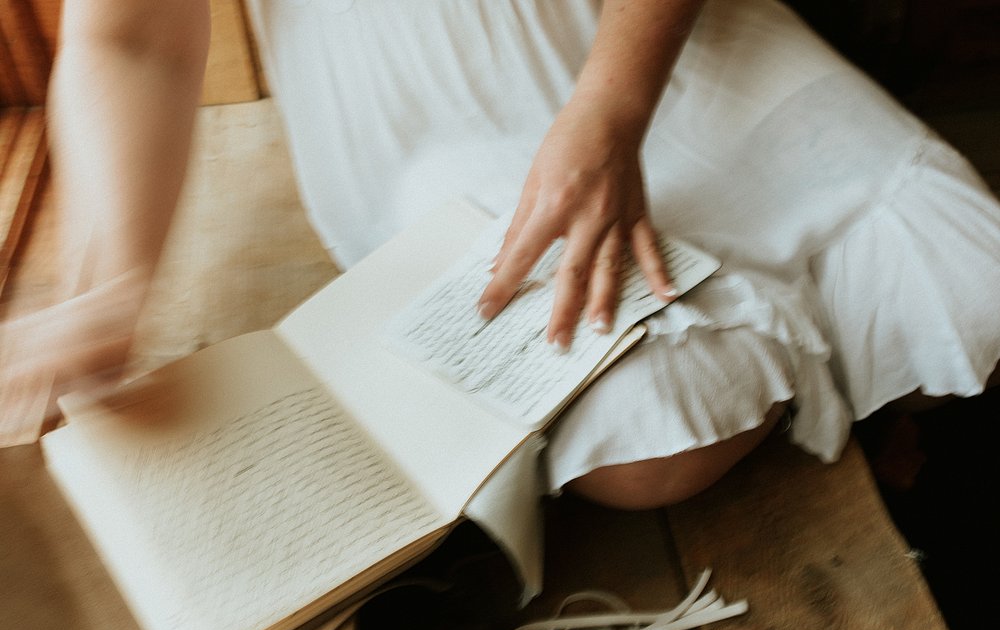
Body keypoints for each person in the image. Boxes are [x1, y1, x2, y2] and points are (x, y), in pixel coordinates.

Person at [2, 0, 999, 510]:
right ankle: (824, 390)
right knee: (653, 453)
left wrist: (612, 112)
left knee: (974, 283)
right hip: (419, 116)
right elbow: (133, 39)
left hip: (642, 47)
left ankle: (857, 400)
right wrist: (109, 286)